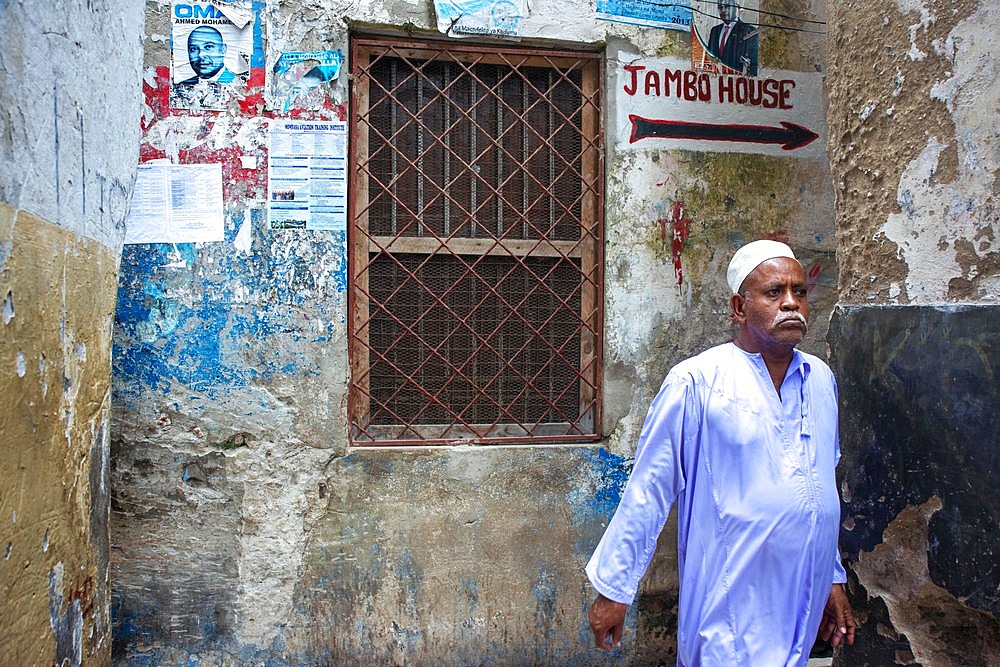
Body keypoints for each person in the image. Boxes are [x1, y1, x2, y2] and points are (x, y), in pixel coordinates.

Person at [586, 240, 855, 665]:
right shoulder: (696, 382)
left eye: (799, 292)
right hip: (730, 599)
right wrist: (614, 591)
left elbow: (819, 485)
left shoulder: (820, 379)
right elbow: (649, 490)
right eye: (774, 292)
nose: (791, 303)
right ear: (739, 307)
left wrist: (832, 579)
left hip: (800, 593)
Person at [707, 0, 759, 76]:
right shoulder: (715, 30)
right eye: (720, 7)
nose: (723, 10)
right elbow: (710, 56)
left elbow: (753, 64)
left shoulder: (749, 31)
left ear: (736, 7)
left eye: (727, 6)